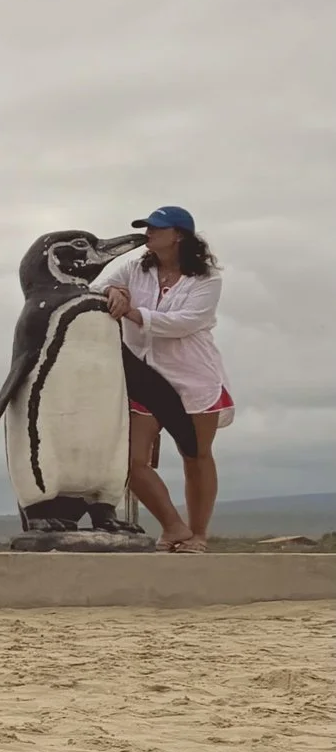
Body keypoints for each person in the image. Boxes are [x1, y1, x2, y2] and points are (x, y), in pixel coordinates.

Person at [96, 207, 231, 553]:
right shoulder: (134, 267)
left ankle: (198, 535)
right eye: (147, 227)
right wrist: (116, 292)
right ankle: (173, 527)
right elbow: (99, 287)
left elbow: (185, 322)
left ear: (179, 236)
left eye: (157, 228)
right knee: (130, 461)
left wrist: (133, 312)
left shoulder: (207, 279)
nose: (148, 233)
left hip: (193, 377)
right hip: (144, 374)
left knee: (196, 456)